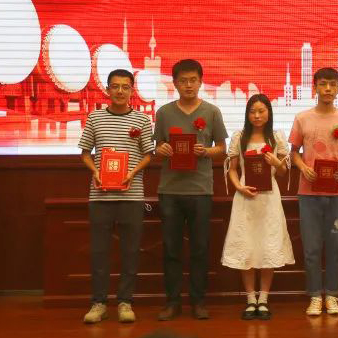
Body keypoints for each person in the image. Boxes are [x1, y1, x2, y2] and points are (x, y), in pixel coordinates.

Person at [152, 59, 228, 321]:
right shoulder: (164, 113)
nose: (188, 85)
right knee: (171, 249)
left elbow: (222, 149)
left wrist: (205, 151)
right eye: (183, 81)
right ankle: (172, 302)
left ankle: (198, 301)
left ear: (200, 82)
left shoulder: (212, 112)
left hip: (200, 190)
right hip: (170, 190)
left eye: (193, 80)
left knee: (199, 248)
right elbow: (156, 147)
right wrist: (161, 149)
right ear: (174, 83)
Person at [78, 69, 154, 324]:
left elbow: (149, 155)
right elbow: (85, 153)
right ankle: (98, 303)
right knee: (99, 251)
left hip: (132, 196)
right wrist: (96, 171)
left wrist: (132, 172)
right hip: (100, 196)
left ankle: (125, 302)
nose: (120, 91)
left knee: (130, 251)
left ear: (132, 90)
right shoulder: (95, 117)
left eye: (125, 86)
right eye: (115, 86)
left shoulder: (142, 120)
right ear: (108, 89)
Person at [289, 67, 338, 317]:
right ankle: (315, 296)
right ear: (315, 87)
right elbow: (293, 153)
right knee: (311, 248)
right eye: (323, 84)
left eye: (332, 84)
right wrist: (303, 168)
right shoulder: (302, 118)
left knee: (335, 246)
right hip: (308, 193)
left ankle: (332, 295)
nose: (327, 89)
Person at [221, 93, 294, 320]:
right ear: (247, 114)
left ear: (269, 113)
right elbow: (232, 169)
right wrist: (239, 187)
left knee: (267, 246)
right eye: (252, 111)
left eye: (261, 111)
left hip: (269, 198)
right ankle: (250, 299)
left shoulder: (276, 137)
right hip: (246, 197)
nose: (257, 115)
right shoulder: (239, 136)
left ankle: (263, 299)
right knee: (247, 246)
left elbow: (282, 172)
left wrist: (276, 162)